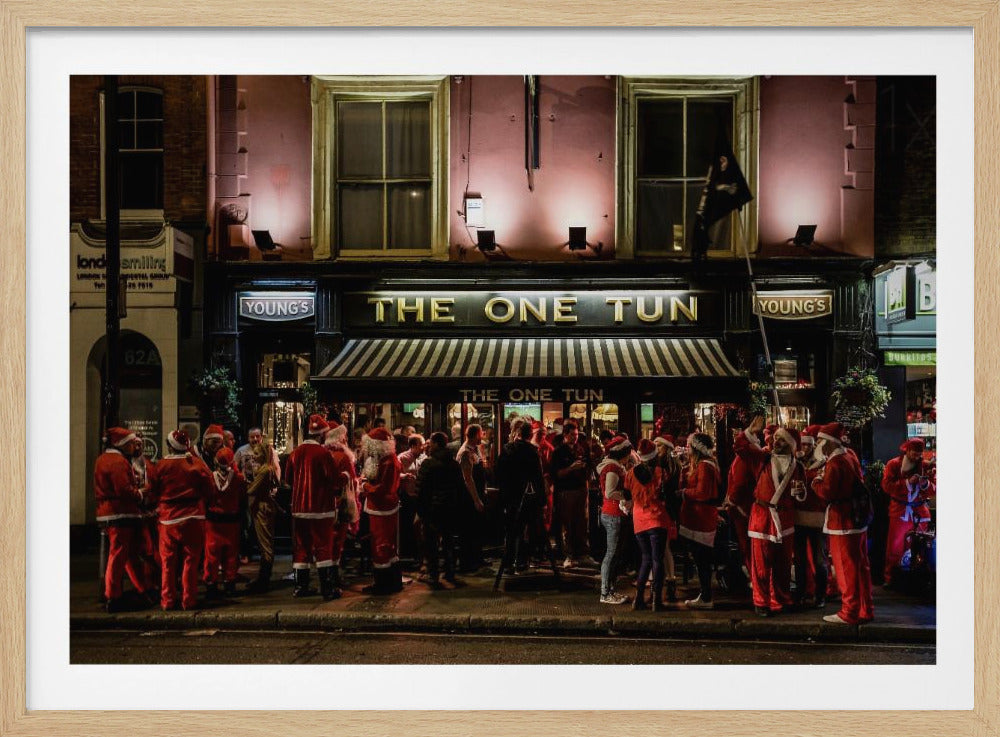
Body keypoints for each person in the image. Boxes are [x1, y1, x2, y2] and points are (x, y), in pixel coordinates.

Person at [735, 418, 805, 617]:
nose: (776, 442)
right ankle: (761, 601)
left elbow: (800, 496)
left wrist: (800, 494)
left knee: (783, 564)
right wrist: (750, 430)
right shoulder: (762, 459)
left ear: (791, 445)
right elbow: (740, 448)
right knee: (760, 564)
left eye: (782, 440)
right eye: (775, 439)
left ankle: (781, 598)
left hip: (784, 519)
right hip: (762, 517)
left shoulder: (798, 467)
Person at [811, 422, 874, 624]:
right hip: (857, 520)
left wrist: (816, 482)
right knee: (861, 567)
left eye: (820, 441)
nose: (817, 444)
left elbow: (828, 492)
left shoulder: (835, 463)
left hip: (843, 522)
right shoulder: (850, 456)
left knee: (846, 569)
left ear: (828, 442)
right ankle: (865, 609)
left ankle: (849, 612)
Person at [145, 430, 216, 611]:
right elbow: (210, 488)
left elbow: (152, 491)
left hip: (168, 519)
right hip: (194, 516)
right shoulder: (197, 464)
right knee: (191, 561)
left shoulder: (160, 466)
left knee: (168, 562)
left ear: (169, 446)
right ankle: (189, 599)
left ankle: (167, 600)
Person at [285, 414, 344, 600]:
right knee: (323, 546)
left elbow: (287, 479)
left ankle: (300, 587)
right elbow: (334, 479)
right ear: (321, 435)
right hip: (321, 508)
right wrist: (345, 477)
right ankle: (327, 589)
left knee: (302, 546)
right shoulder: (323, 454)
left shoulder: (295, 453)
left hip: (299, 509)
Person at [94, 427, 151, 613]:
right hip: (120, 513)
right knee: (120, 555)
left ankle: (139, 589)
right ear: (123, 444)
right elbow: (124, 489)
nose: (134, 447)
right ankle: (113, 595)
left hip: (111, 513)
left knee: (125, 554)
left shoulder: (103, 459)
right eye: (131, 443)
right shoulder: (118, 462)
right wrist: (140, 493)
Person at [625, 439, 675, 611]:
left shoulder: (630, 473)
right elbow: (668, 495)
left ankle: (638, 598)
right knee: (657, 560)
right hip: (657, 518)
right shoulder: (661, 472)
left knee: (646, 558)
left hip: (639, 520)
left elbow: (627, 495)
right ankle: (656, 600)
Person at [495, 421, 548, 577]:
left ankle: (508, 563)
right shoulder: (532, 452)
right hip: (526, 496)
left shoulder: (506, 449)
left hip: (509, 495)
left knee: (511, 531)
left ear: (517, 434)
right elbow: (537, 478)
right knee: (525, 530)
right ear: (530, 435)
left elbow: (498, 472)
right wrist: (542, 499)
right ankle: (521, 561)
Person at [881, 437, 936, 587]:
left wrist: (925, 484)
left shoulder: (926, 466)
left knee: (920, 546)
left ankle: (919, 578)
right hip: (900, 511)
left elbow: (935, 489)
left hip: (920, 512)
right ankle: (891, 578)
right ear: (907, 450)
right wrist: (907, 483)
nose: (917, 457)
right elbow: (886, 486)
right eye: (914, 454)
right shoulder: (893, 464)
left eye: (919, 454)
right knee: (895, 546)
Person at [679, 432, 721, 609]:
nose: (687, 449)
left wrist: (684, 493)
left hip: (700, 518)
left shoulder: (704, 466)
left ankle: (706, 597)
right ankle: (704, 595)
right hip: (701, 517)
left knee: (702, 559)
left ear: (696, 448)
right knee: (701, 558)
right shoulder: (708, 464)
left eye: (689, 446)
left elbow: (702, 492)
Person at [415, 432, 464, 585]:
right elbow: (460, 487)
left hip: (432, 508)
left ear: (436, 444)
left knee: (431, 542)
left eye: (430, 443)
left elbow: (420, 488)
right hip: (450, 507)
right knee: (449, 541)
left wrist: (420, 510)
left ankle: (433, 574)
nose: (428, 446)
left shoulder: (428, 463)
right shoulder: (454, 464)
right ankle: (450, 572)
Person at [360, 427, 404, 593]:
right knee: (388, 546)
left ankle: (383, 584)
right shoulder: (387, 459)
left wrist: (365, 486)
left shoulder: (388, 462)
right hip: (384, 507)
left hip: (381, 508)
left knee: (381, 545)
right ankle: (393, 581)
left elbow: (382, 489)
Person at [550, 421, 597, 568]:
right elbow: (556, 474)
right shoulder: (558, 452)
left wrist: (587, 477)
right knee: (567, 524)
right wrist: (571, 468)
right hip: (566, 491)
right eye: (572, 435)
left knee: (582, 523)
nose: (575, 437)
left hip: (581, 489)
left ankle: (583, 553)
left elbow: (589, 467)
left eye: (576, 435)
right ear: (565, 434)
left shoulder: (581, 449)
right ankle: (568, 555)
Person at [792, 425, 829, 608]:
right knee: (799, 560)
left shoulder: (822, 463)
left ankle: (820, 595)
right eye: (803, 445)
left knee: (819, 559)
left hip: (817, 518)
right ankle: (801, 592)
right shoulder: (795, 464)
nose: (805, 448)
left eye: (808, 445)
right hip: (799, 518)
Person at [204, 447, 247, 599]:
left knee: (212, 554)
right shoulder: (238, 478)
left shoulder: (209, 478)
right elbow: (242, 498)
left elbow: (206, 498)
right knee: (231, 554)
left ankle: (211, 584)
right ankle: (230, 583)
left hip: (213, 523)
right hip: (232, 521)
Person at [595, 434, 632, 604]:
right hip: (613, 514)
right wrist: (626, 496)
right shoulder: (612, 468)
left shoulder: (614, 466)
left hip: (614, 514)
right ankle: (605, 593)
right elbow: (609, 492)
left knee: (614, 554)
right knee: (611, 554)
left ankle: (610, 590)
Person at [324, 419, 358, 598]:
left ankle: (328, 574)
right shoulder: (343, 457)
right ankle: (334, 575)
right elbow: (349, 479)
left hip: (325, 504)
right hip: (341, 503)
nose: (346, 439)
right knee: (338, 541)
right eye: (344, 436)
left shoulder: (324, 453)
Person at [244, 441, 279, 594]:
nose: (254, 456)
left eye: (257, 454)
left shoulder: (264, 470)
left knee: (265, 544)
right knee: (266, 542)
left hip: (262, 508)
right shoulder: (268, 469)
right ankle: (263, 577)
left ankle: (264, 579)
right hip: (266, 506)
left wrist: (244, 484)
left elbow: (252, 490)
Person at [130, 434, 161, 596]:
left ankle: (154, 583)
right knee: (140, 551)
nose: (138, 447)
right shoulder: (125, 464)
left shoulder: (148, 464)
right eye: (135, 444)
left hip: (150, 512)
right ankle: (144, 585)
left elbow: (155, 486)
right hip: (134, 513)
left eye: (140, 444)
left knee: (153, 550)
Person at [455, 424, 488, 574]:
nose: (483, 436)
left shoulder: (476, 450)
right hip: (468, 498)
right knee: (468, 530)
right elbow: (468, 478)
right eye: (481, 434)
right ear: (475, 435)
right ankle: (467, 563)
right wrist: (476, 499)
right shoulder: (465, 453)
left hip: (477, 494)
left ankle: (477, 558)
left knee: (477, 528)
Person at [653, 435, 682, 603]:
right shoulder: (673, 465)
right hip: (669, 509)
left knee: (663, 547)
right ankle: (668, 580)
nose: (657, 448)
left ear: (667, 447)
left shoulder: (665, 465)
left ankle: (667, 581)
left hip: (665, 509)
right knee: (664, 547)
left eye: (659, 445)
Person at [397, 434, 426, 563]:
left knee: (418, 527)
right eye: (421, 445)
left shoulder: (423, 457)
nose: (423, 447)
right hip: (407, 497)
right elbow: (395, 474)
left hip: (419, 496)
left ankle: (417, 554)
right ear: (413, 446)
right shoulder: (402, 457)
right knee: (408, 526)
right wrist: (404, 476)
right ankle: (408, 554)